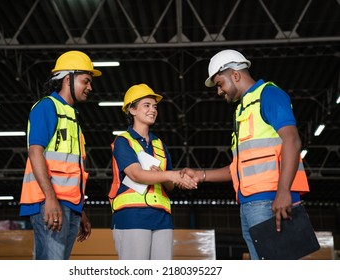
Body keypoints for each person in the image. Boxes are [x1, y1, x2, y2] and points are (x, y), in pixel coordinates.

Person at [181, 49, 310, 260]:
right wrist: (201, 175)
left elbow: (292, 140)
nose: (219, 91)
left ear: (235, 75)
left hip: (272, 202)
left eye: (220, 84)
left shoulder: (268, 95)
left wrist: (284, 191)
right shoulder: (243, 110)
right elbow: (238, 168)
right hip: (250, 205)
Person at [19, 50, 102, 260]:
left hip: (68, 205)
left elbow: (73, 172)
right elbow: (35, 152)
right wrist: (50, 198)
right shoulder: (47, 107)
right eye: (86, 81)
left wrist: (79, 210)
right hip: (50, 203)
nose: (90, 87)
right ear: (68, 79)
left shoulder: (73, 118)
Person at [108, 83, 198, 260]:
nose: (153, 110)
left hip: (162, 218)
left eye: (155, 106)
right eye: (146, 105)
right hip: (132, 216)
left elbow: (170, 186)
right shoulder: (123, 141)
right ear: (132, 110)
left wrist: (171, 177)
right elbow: (136, 174)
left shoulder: (159, 144)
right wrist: (169, 174)